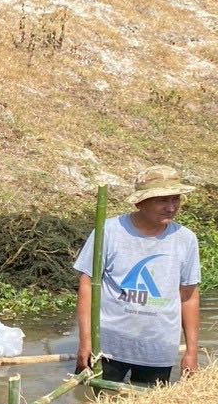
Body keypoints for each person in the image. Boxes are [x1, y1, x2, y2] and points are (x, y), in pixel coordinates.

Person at [74, 165, 201, 386]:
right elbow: (87, 285)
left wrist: (191, 351)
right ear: (140, 203)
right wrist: (86, 342)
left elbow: (188, 297)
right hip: (108, 345)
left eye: (176, 199)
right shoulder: (109, 231)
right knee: (92, 401)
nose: (171, 207)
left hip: (158, 346)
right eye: (162, 200)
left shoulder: (185, 239)